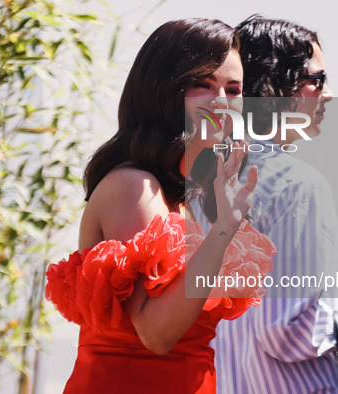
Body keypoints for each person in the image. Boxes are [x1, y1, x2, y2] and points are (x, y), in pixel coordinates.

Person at [192, 15, 338, 394]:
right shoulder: (294, 184)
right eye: (316, 80)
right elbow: (286, 331)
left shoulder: (200, 180)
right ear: (274, 84)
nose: (329, 93)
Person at [44, 19, 276, 393]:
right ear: (163, 88)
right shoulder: (135, 186)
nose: (221, 101)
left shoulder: (179, 196)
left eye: (233, 89)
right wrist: (220, 234)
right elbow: (155, 333)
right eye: (203, 83)